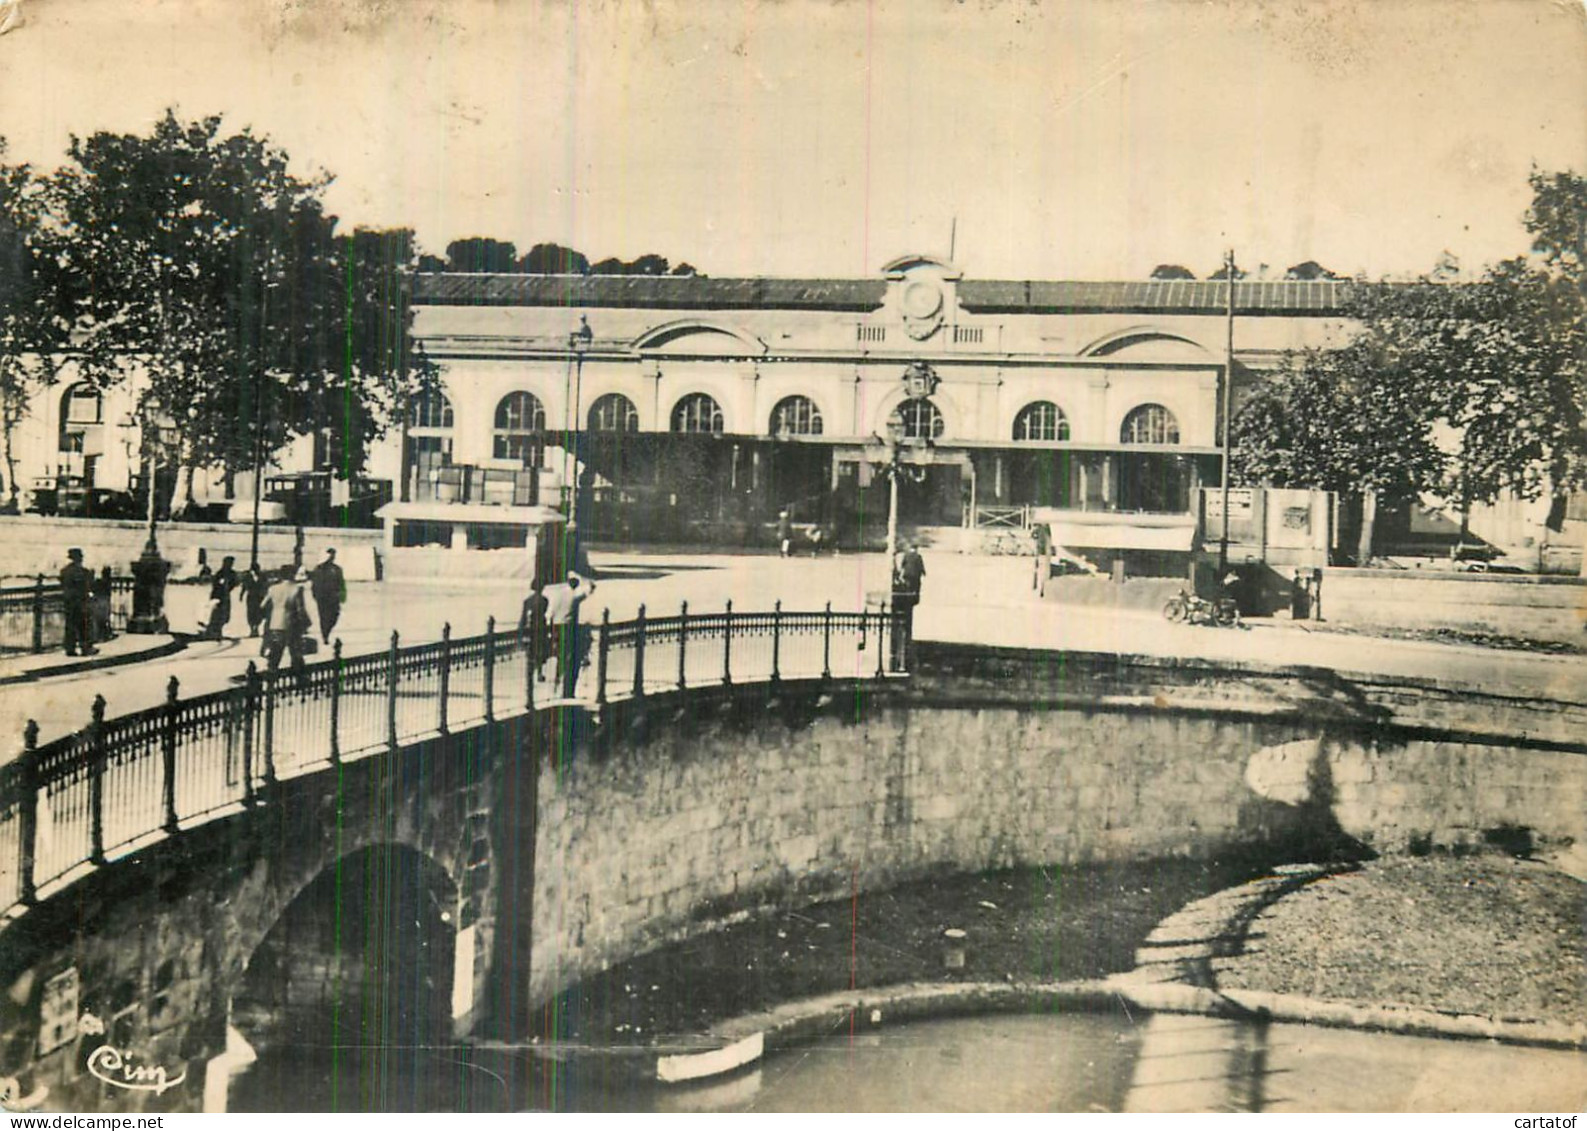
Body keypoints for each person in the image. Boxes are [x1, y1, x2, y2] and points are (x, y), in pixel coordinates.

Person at [545, 574, 595, 698]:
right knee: (572, 657)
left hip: (555, 627)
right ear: (576, 585)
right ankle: (567, 689)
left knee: (558, 657)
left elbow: (549, 614)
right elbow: (591, 587)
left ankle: (555, 683)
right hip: (568, 628)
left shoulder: (557, 595)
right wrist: (584, 576)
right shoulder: (575, 596)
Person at [260, 566, 311, 679]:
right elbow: (300, 609)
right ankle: (300, 679)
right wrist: (306, 623)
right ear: (292, 575)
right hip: (291, 624)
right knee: (295, 652)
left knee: (276, 652)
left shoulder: (273, 588)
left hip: (275, 624)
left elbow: (263, 605)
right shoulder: (296, 589)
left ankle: (271, 678)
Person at [890, 542, 925, 669]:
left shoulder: (905, 555)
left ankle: (898, 655)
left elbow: (903, 567)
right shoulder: (918, 556)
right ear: (916, 548)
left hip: (907, 577)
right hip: (914, 579)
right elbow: (921, 569)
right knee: (914, 589)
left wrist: (901, 575)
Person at [59, 548, 96, 657]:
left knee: (70, 625)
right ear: (79, 558)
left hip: (68, 601)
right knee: (83, 625)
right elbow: (88, 585)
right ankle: (86, 648)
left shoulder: (65, 571)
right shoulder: (83, 572)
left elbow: (62, 584)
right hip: (80, 602)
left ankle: (70, 649)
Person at [309, 548, 346, 644]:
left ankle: (327, 631)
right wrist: (315, 594)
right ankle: (325, 635)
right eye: (330, 555)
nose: (331, 557)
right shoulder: (319, 568)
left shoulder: (337, 569)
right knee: (324, 617)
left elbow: (341, 583)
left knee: (334, 616)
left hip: (334, 597)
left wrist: (342, 595)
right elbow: (314, 583)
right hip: (322, 597)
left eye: (333, 555)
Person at [521, 576, 551, 682]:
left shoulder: (527, 601)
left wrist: (521, 630)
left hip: (531, 629)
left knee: (531, 652)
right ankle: (539, 673)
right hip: (541, 628)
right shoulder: (544, 600)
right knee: (540, 652)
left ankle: (530, 674)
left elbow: (523, 617)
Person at [202, 555, 238, 640]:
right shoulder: (220, 573)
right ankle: (214, 632)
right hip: (218, 596)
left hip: (226, 596)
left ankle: (217, 631)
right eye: (229, 563)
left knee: (225, 616)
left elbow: (234, 583)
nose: (230, 565)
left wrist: (228, 587)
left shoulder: (232, 573)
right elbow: (215, 585)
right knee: (217, 615)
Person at [239, 563, 269, 638]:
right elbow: (244, 586)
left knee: (259, 613)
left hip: (259, 597)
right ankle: (252, 629)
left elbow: (266, 586)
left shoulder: (262, 576)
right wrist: (241, 595)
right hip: (251, 597)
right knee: (251, 613)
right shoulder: (248, 576)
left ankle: (256, 628)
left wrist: (265, 594)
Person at [91, 567, 114, 644]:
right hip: (104, 601)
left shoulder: (98, 583)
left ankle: (97, 636)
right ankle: (103, 635)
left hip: (97, 601)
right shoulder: (107, 583)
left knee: (98, 620)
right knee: (103, 620)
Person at [1031, 521, 1053, 598]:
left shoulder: (1039, 529)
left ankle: (1036, 587)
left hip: (1040, 553)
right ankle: (1041, 589)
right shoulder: (1047, 530)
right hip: (1045, 554)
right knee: (1043, 572)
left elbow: (1033, 535)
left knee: (1038, 570)